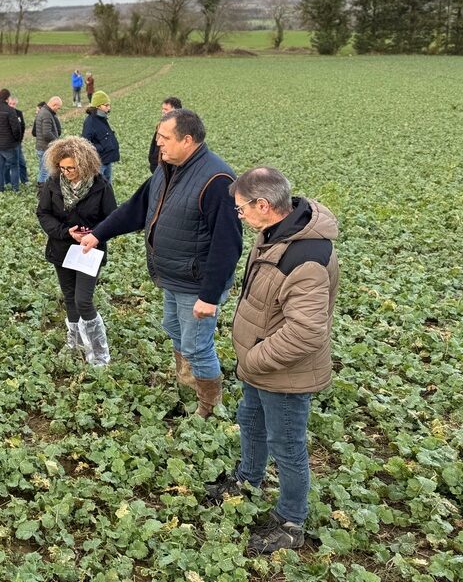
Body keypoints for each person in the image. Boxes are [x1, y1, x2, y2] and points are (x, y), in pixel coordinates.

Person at [205, 167, 339, 555]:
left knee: (288, 445)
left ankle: (291, 521)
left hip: (283, 373)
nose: (239, 214)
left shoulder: (307, 258)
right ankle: (248, 479)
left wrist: (255, 358)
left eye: (241, 208)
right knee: (250, 421)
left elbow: (306, 332)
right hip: (259, 366)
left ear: (263, 205)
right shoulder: (273, 234)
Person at [79, 109, 242, 417]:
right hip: (172, 275)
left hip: (196, 282)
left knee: (197, 345)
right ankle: (186, 382)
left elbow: (228, 244)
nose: (158, 144)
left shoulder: (217, 180)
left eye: (164, 138)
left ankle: (209, 405)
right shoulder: (167, 168)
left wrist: (209, 296)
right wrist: (98, 234)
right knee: (175, 330)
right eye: (158, 137)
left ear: (188, 140)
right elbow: (137, 208)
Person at [36, 137, 117, 364]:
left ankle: (99, 354)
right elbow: (43, 213)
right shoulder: (53, 183)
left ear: (83, 164)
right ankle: (76, 344)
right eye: (62, 167)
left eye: (71, 167)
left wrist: (94, 234)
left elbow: (113, 218)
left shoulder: (101, 186)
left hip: (89, 251)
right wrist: (65, 232)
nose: (67, 172)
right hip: (61, 249)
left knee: (83, 300)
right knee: (69, 296)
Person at [0, 88, 21, 192]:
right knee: (14, 166)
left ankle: (1, 189)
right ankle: (15, 189)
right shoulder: (10, 111)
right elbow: (16, 128)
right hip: (10, 145)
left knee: (0, 168)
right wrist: (16, 139)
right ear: (7, 99)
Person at [82, 91, 120, 183]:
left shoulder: (102, 119)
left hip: (107, 160)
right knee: (99, 188)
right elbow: (85, 143)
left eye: (109, 105)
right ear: (98, 106)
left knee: (108, 187)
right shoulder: (90, 122)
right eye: (106, 105)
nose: (109, 108)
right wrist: (101, 148)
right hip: (99, 163)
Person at [148, 97, 183, 173]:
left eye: (166, 109)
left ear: (175, 111)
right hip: (157, 166)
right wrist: (151, 159)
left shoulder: (180, 128)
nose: (163, 111)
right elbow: (154, 144)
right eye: (162, 109)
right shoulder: (161, 125)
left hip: (168, 169)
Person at [34, 97, 64, 185]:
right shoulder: (46, 114)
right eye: (58, 108)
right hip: (45, 148)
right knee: (45, 172)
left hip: (41, 147)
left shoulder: (44, 111)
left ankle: (43, 190)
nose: (57, 110)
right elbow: (46, 133)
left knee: (43, 170)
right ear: (54, 105)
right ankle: (42, 191)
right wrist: (58, 142)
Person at [9, 94, 29, 186]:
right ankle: (9, 182)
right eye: (10, 104)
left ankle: (25, 180)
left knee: (22, 163)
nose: (12, 106)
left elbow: (23, 127)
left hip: (18, 143)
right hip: (8, 144)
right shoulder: (6, 114)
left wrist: (20, 139)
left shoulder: (19, 113)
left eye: (14, 104)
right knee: (8, 164)